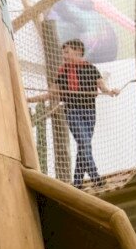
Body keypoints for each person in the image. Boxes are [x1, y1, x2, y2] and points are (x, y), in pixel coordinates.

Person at [28, 39, 118, 190]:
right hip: (72, 112)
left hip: (90, 112)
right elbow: (51, 93)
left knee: (84, 146)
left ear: (78, 51)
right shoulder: (62, 71)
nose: (64, 55)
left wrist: (111, 91)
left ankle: (77, 182)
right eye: (63, 52)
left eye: (67, 51)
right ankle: (96, 177)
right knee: (84, 143)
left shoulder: (91, 69)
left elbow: (103, 87)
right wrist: (30, 99)